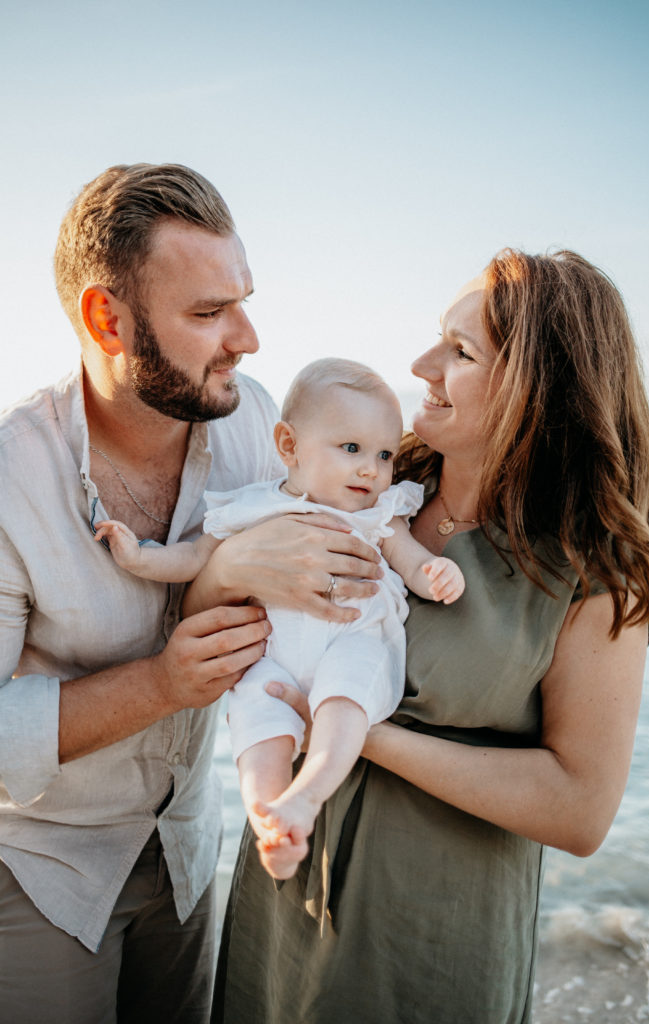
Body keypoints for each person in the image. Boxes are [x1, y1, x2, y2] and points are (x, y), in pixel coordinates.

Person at [205, 249, 649, 1024]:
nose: (422, 365)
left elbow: (580, 809)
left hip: (432, 937)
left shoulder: (592, 568)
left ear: (540, 388)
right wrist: (225, 568)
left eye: (460, 353)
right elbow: (217, 611)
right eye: (438, 338)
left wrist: (362, 734)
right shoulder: (364, 485)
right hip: (285, 893)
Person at [0, 164, 383, 1024]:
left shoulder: (258, 424)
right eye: (208, 314)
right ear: (108, 318)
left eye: (241, 301)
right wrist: (163, 684)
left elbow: (371, 519)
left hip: (190, 854)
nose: (245, 338)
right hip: (40, 876)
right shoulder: (7, 479)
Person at [93, 358, 465, 878]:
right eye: (351, 449)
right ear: (289, 446)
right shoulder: (252, 506)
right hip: (275, 658)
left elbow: (411, 560)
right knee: (256, 712)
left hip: (353, 640)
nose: (370, 469)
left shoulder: (379, 513)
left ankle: (308, 796)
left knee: (346, 692)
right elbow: (196, 558)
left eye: (384, 454)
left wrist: (437, 574)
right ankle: (271, 816)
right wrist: (139, 558)